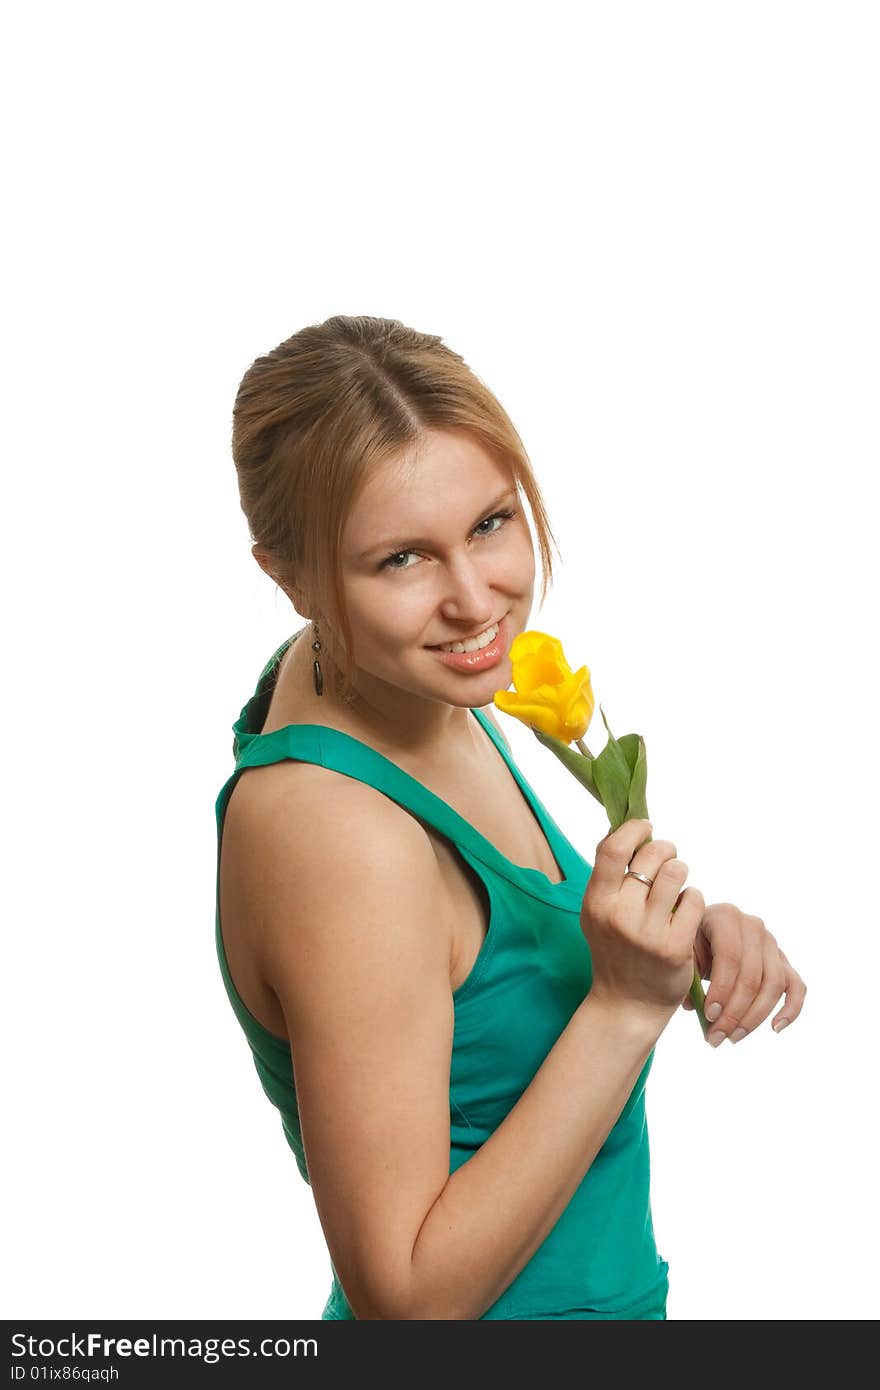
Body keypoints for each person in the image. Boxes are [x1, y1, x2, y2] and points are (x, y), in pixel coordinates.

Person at [214, 314, 806, 1321]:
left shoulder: (403, 687)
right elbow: (404, 1297)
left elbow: (474, 974)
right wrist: (623, 1006)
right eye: (401, 559)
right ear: (291, 576)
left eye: (490, 522)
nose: (475, 599)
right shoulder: (336, 830)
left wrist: (677, 944)